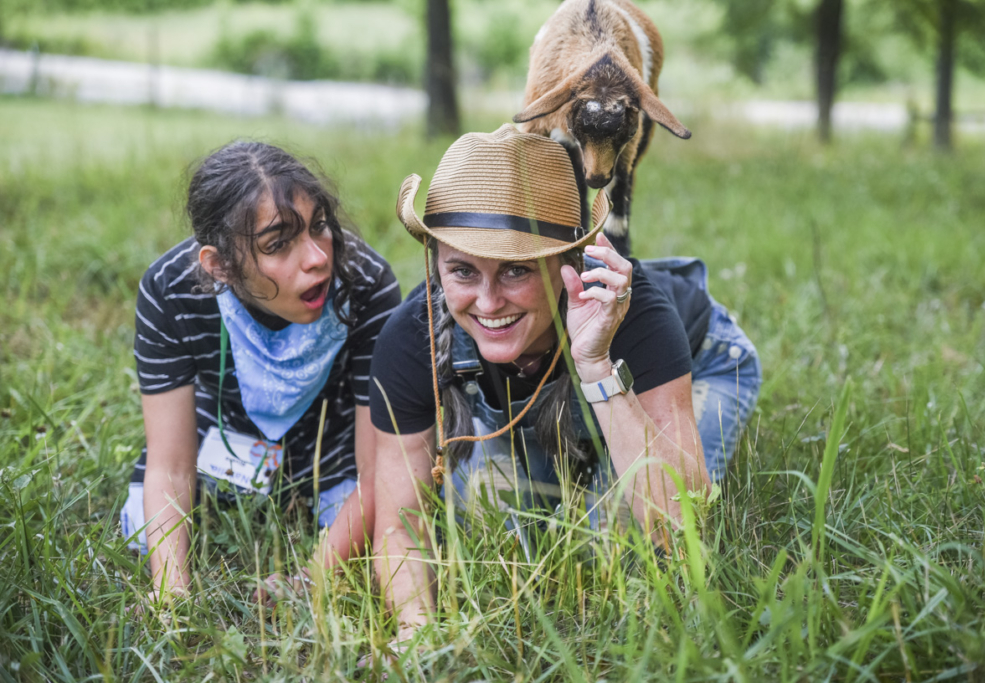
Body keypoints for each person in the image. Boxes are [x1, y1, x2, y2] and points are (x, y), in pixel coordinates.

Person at [368, 125, 760, 643]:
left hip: (697, 363)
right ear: (435, 263)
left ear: (568, 262)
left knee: (612, 547)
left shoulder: (635, 312)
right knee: (497, 532)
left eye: (514, 271)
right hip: (541, 406)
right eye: (462, 272)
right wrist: (415, 635)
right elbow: (400, 523)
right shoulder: (410, 335)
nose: (487, 304)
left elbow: (680, 526)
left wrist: (596, 364)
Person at [120, 141, 402, 604]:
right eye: (278, 243)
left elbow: (379, 469)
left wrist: (308, 581)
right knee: (139, 532)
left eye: (319, 226)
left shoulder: (365, 284)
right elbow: (169, 466)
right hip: (216, 456)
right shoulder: (169, 291)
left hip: (330, 468)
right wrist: (172, 594)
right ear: (219, 267)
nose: (317, 258)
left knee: (386, 533)